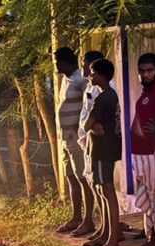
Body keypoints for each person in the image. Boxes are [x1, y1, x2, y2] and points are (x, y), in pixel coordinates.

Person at [54, 46, 95, 235]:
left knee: (82, 178)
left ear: (65, 62)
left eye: (57, 61)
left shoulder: (80, 80)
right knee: (71, 177)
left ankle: (88, 220)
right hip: (64, 138)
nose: (55, 65)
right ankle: (76, 217)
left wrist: (82, 131)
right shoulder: (65, 79)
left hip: (75, 137)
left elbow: (90, 104)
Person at [83, 58, 122, 246]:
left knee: (107, 191)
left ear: (102, 75)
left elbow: (86, 124)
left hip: (102, 149)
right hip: (108, 147)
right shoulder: (110, 95)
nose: (91, 77)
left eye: (93, 73)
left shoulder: (104, 97)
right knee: (103, 190)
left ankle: (112, 240)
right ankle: (106, 234)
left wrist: (91, 125)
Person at [131, 53, 155, 246]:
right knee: (147, 199)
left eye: (149, 70)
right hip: (140, 153)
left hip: (153, 153)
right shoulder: (145, 93)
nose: (145, 74)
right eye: (142, 71)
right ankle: (151, 239)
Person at [76, 50, 105, 239]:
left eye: (85, 64)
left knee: (101, 186)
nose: (83, 68)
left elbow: (95, 118)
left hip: (98, 143)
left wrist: (90, 127)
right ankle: (103, 226)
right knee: (93, 184)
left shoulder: (102, 91)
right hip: (87, 142)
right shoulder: (89, 86)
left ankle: (108, 228)